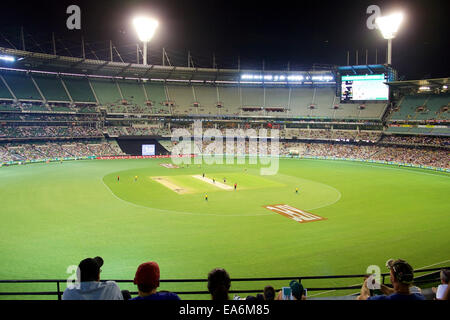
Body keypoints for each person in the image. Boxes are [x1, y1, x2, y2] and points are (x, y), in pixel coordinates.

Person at [357, 259, 425, 300]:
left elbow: (361, 297)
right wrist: (376, 284)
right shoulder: (420, 296)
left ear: (393, 279)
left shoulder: (383, 299)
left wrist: (366, 282)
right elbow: (398, 293)